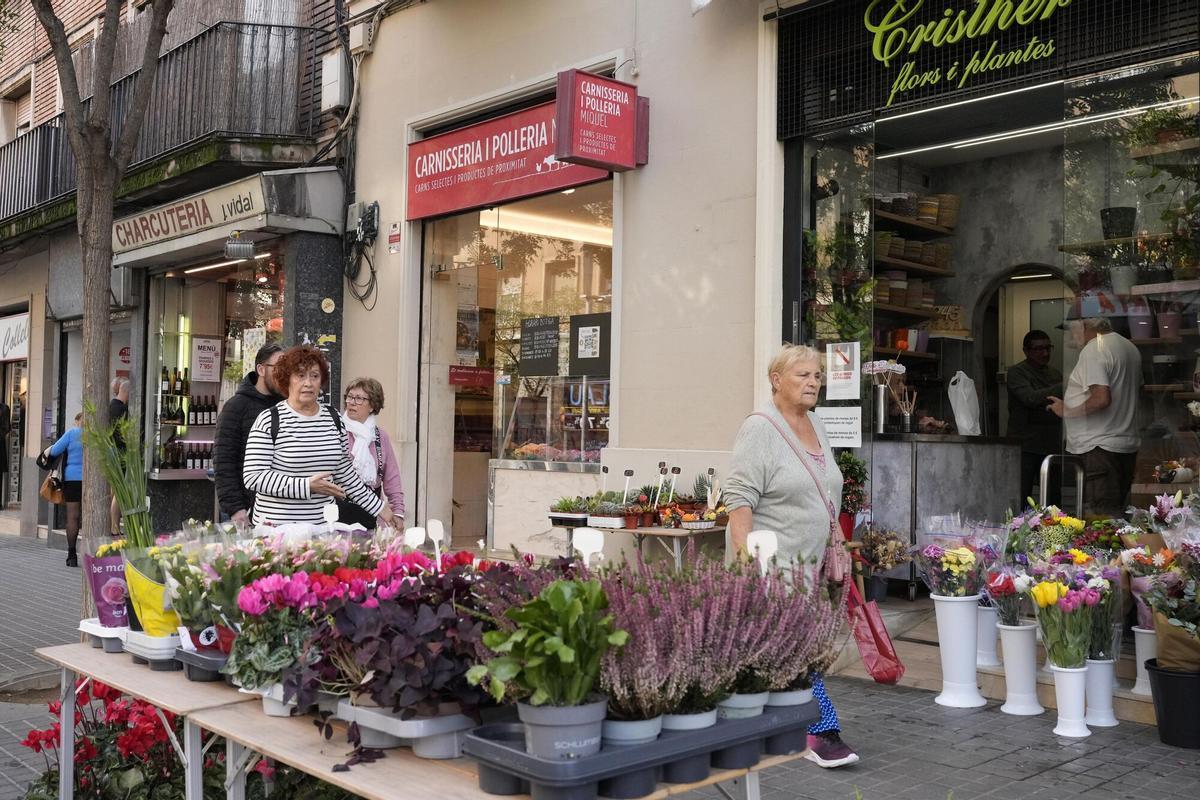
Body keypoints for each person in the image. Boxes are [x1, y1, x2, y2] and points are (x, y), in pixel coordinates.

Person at [724, 344, 858, 769]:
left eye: (817, 375)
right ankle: (820, 731)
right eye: (802, 375)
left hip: (814, 562)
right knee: (800, 650)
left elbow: (825, 488)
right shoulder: (761, 428)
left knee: (780, 650)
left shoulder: (817, 424)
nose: (813, 382)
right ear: (776, 380)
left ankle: (744, 720)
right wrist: (751, 566)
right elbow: (739, 501)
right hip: (775, 563)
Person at [242, 345, 395, 528]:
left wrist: (380, 509)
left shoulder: (333, 418)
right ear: (287, 379)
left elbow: (344, 472)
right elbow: (253, 476)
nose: (308, 383)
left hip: (322, 528)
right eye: (300, 375)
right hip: (276, 530)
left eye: (314, 376)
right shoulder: (269, 419)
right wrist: (306, 486)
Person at [1048, 316, 1142, 517]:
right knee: (1115, 516)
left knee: (1100, 518)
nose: (1072, 336)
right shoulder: (1128, 347)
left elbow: (1101, 398)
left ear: (1086, 324)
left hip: (1098, 448)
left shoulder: (1094, 349)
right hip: (1123, 444)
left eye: (1073, 329)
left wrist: (1067, 411)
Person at [214, 343, 285, 527]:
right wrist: (236, 508)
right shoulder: (236, 406)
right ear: (261, 369)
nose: (284, 373)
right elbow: (224, 462)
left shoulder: (287, 407)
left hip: (280, 510)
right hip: (245, 510)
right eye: (278, 367)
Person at [339, 377, 406, 529]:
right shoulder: (337, 431)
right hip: (338, 509)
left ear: (372, 406)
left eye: (359, 398)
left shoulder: (380, 436)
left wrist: (398, 512)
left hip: (372, 513)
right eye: (349, 397)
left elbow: (392, 479)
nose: (352, 402)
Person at [1006, 331, 1063, 504]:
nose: (1045, 353)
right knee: (1022, 496)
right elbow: (1029, 398)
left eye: (1048, 348)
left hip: (1051, 442)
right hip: (1025, 444)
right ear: (1026, 351)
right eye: (1039, 349)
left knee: (1053, 498)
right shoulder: (1017, 372)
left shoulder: (1054, 373)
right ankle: (1020, 529)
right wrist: (1063, 387)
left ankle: (1054, 530)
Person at [44, 413, 85, 567]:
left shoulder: (72, 433)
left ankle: (72, 555)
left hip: (72, 479)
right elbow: (112, 454)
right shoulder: (98, 435)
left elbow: (54, 451)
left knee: (72, 517)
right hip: (93, 481)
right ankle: (92, 553)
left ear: (79, 421)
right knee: (91, 516)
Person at [108, 378, 130, 535]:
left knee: (114, 491)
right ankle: (114, 527)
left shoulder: (110, 407)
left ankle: (113, 526)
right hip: (120, 454)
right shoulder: (122, 410)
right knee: (118, 492)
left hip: (111, 453)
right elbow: (125, 435)